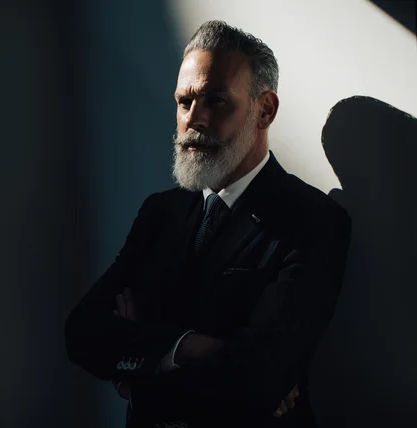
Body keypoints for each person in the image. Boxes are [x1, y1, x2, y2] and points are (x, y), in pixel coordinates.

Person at [65, 20, 351, 428]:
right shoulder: (160, 213)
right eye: (185, 101)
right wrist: (190, 347)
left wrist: (136, 382)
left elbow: (258, 380)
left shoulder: (314, 221)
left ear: (264, 110)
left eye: (216, 101)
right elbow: (82, 332)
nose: (193, 119)